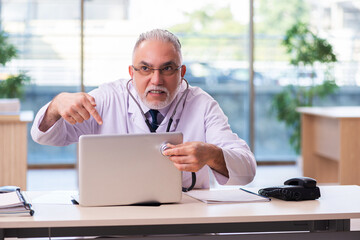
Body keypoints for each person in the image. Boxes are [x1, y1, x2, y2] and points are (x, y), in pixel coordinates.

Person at [31, 29, 256, 189]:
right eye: (145, 68)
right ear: (132, 72)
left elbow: (247, 169)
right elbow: (46, 137)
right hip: (114, 218)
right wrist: (56, 105)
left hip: (186, 222)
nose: (156, 80)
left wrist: (211, 155)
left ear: (182, 72)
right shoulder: (107, 98)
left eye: (167, 68)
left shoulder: (202, 104)